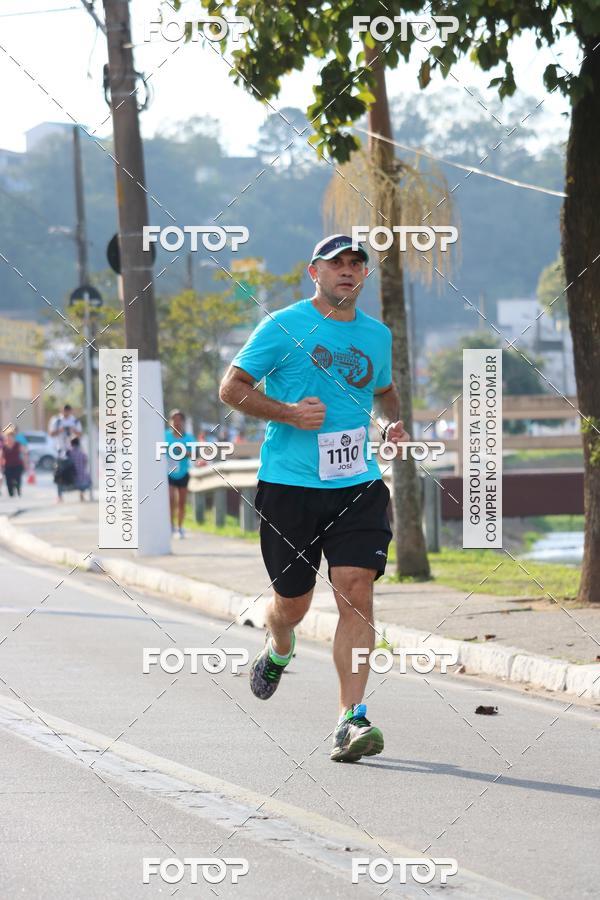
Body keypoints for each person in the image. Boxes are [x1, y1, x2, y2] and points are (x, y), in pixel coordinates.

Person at [219, 233, 409, 763]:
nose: (347, 271)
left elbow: (385, 389)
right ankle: (279, 646)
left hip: (357, 483)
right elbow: (231, 388)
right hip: (290, 487)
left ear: (364, 276)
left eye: (356, 264)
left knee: (357, 591)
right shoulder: (282, 326)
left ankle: (352, 720)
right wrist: (288, 413)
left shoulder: (377, 334)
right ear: (315, 273)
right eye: (336, 264)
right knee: (293, 606)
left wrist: (392, 421)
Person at [164, 409, 196, 539]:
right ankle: (170, 526)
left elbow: (194, 454)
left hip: (183, 472)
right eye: (174, 420)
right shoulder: (164, 436)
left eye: (179, 420)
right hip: (169, 473)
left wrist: (182, 451)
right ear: (170, 422)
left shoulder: (189, 438)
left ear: (183, 422)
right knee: (171, 499)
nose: (176, 422)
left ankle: (180, 527)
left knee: (181, 502)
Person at [0, 428, 26, 497]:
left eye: (11, 437)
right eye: (7, 437)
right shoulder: (4, 447)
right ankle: (11, 493)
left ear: (13, 437)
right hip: (8, 466)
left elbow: (24, 454)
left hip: (17, 465)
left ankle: (18, 489)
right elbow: (1, 457)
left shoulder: (18, 445)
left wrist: (26, 464)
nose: (9, 438)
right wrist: (1, 466)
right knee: (8, 480)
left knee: (18, 479)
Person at [67, 437, 91, 501]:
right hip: (83, 478)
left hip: (72, 477)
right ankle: (82, 494)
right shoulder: (82, 453)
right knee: (87, 479)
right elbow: (86, 462)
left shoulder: (69, 453)